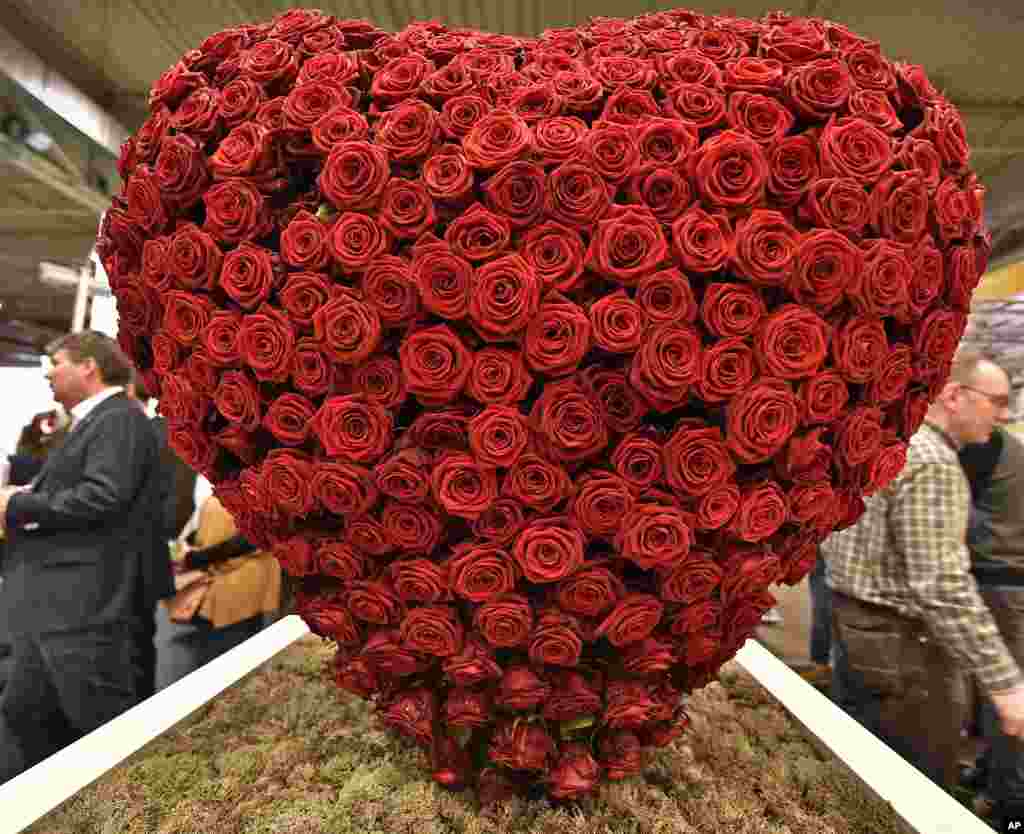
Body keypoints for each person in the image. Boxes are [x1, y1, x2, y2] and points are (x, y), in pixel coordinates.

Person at [822, 350, 1024, 794]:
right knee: (916, 781)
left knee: (865, 774)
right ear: (954, 396)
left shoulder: (891, 443)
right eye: (997, 401)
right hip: (902, 651)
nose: (1004, 415)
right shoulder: (933, 464)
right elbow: (941, 585)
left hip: (859, 633)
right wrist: (1006, 684)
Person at [0, 331, 164, 781]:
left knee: (102, 728)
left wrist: (16, 504)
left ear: (89, 366)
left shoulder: (117, 419)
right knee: (26, 712)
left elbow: (103, 495)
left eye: (56, 362)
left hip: (84, 604)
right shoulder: (95, 421)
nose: (49, 373)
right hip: (59, 604)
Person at [154, 476, 281, 691]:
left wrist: (196, 558)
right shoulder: (207, 475)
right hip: (211, 578)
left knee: (231, 668)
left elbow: (255, 534)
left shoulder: (258, 475)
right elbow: (199, 522)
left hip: (242, 585)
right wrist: (188, 552)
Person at [959, 424, 1024, 825]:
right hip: (1006, 580)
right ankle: (989, 776)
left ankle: (1008, 803)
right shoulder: (1007, 448)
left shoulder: (989, 445)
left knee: (1005, 694)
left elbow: (961, 515)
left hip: (1002, 582)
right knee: (999, 692)